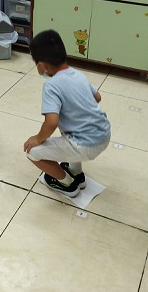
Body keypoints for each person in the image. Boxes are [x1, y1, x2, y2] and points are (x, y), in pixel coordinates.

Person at [23, 30, 111, 197]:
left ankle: (67, 184)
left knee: (32, 152)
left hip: (85, 145)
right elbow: (97, 97)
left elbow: (51, 122)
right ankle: (77, 173)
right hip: (104, 135)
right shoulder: (79, 75)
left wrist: (37, 138)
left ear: (41, 65)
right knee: (69, 130)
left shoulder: (51, 86)